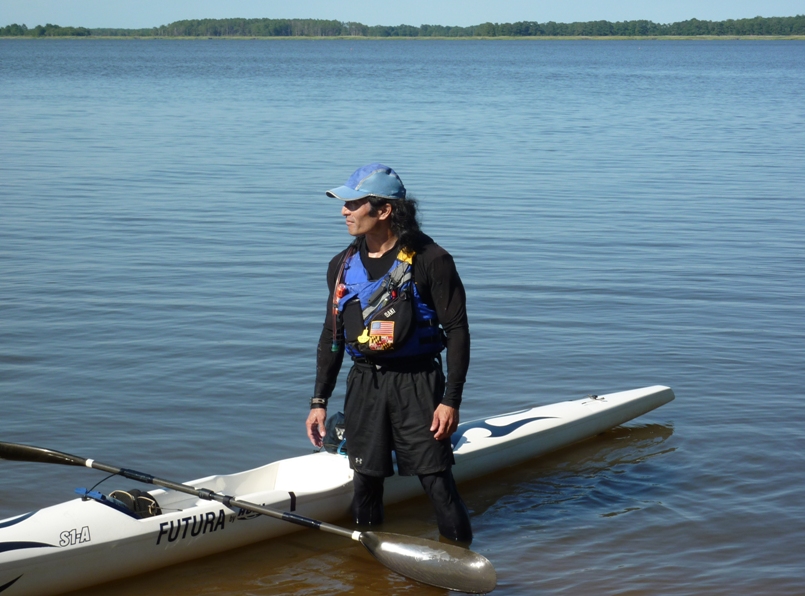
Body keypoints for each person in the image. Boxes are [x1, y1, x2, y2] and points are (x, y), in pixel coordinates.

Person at [305, 163, 473, 543]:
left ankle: (461, 561)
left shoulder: (432, 260)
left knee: (437, 482)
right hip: (365, 383)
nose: (344, 211)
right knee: (365, 482)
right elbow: (331, 335)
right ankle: (370, 569)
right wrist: (319, 401)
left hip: (418, 384)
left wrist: (450, 401)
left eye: (354, 203)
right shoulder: (341, 265)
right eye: (344, 203)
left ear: (383, 210)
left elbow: (458, 331)